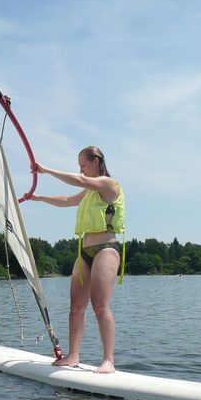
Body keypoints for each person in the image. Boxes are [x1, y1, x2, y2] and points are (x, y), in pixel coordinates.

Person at [30, 146, 125, 374]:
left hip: (106, 249)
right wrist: (38, 197)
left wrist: (46, 170)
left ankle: (108, 360)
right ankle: (73, 356)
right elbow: (67, 200)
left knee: (99, 305)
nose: (81, 170)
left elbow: (79, 182)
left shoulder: (109, 185)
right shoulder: (88, 191)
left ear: (95, 161)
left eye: (83, 165)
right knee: (76, 307)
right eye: (79, 167)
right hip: (85, 251)